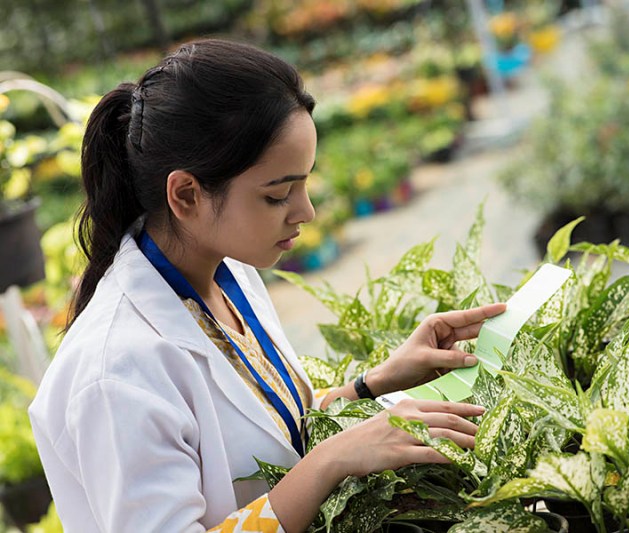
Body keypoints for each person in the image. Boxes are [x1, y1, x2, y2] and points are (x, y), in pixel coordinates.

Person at [28, 39, 505, 533]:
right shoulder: (116, 372)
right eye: (278, 194)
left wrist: (372, 384)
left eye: (303, 185)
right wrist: (333, 460)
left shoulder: (228, 277)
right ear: (186, 194)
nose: (306, 212)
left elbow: (263, 432)